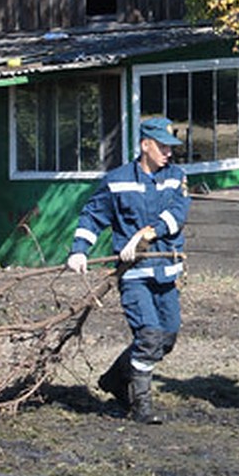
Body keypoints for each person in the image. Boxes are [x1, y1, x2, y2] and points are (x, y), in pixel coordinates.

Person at [66, 117, 190, 424]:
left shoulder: (176, 176)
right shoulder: (117, 179)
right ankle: (140, 404)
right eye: (162, 146)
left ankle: (114, 379)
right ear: (145, 145)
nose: (168, 153)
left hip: (165, 270)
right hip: (133, 275)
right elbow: (92, 217)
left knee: (167, 337)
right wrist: (79, 251)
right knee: (149, 334)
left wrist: (148, 232)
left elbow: (178, 213)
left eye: (171, 147)